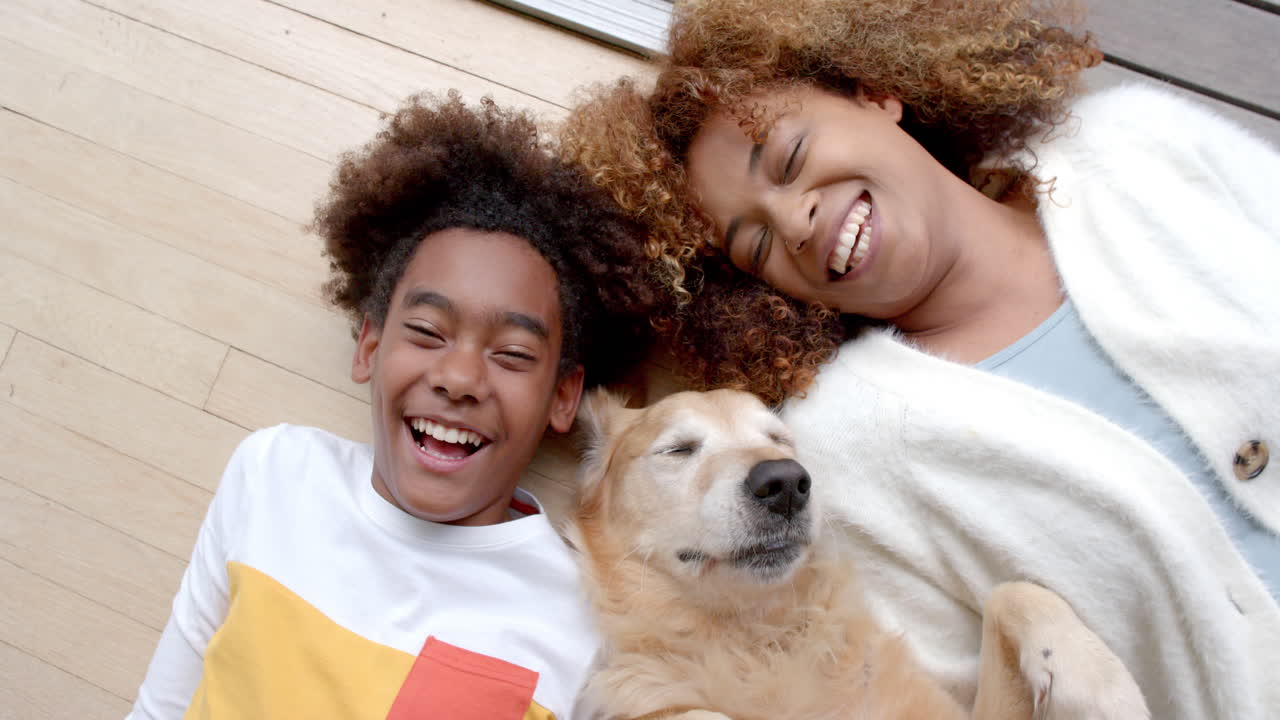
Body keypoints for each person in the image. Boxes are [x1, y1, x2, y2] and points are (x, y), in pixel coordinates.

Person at [559, 1, 1280, 718]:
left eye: (789, 158)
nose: (795, 221)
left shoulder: (1139, 148)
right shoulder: (846, 445)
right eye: (756, 245)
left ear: (874, 92)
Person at [127, 92, 657, 720]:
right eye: (428, 332)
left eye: (512, 353)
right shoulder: (274, 474)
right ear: (370, 347)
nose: (459, 377)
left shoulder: (585, 616)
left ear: (562, 397)